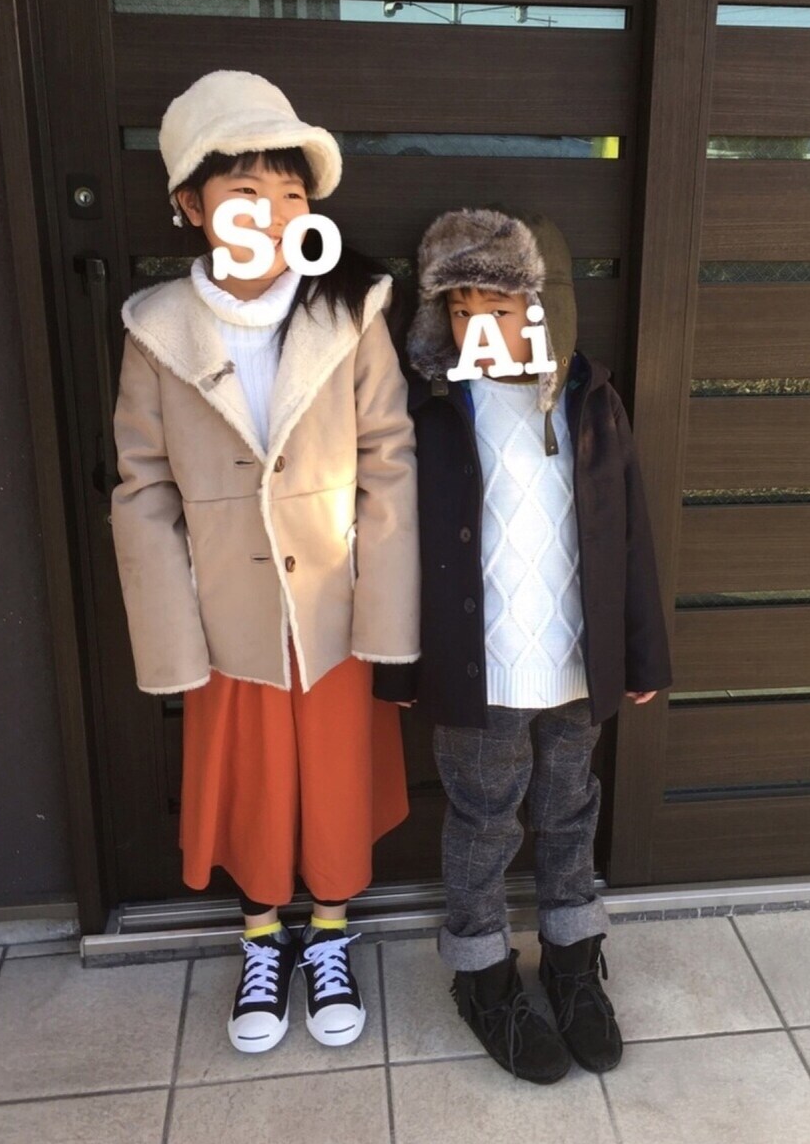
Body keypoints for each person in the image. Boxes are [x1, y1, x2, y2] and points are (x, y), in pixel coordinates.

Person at [111, 70, 418, 1054]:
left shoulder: (351, 310)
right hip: (227, 612)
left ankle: (328, 931)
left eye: (291, 193)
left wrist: (388, 611)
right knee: (247, 778)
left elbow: (390, 459)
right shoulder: (157, 328)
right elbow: (141, 487)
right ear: (192, 204)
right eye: (245, 191)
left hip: (334, 604)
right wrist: (172, 633)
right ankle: (258, 936)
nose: (273, 213)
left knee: (333, 774)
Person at [402, 207, 672, 1083]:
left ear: (545, 307)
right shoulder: (435, 412)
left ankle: (570, 959)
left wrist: (642, 653)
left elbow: (628, 532)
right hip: (479, 672)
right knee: (484, 822)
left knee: (568, 810)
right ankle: (482, 974)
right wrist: (401, 663)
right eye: (460, 310)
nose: (478, 326)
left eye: (500, 307)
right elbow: (393, 546)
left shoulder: (593, 399)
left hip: (574, 665)